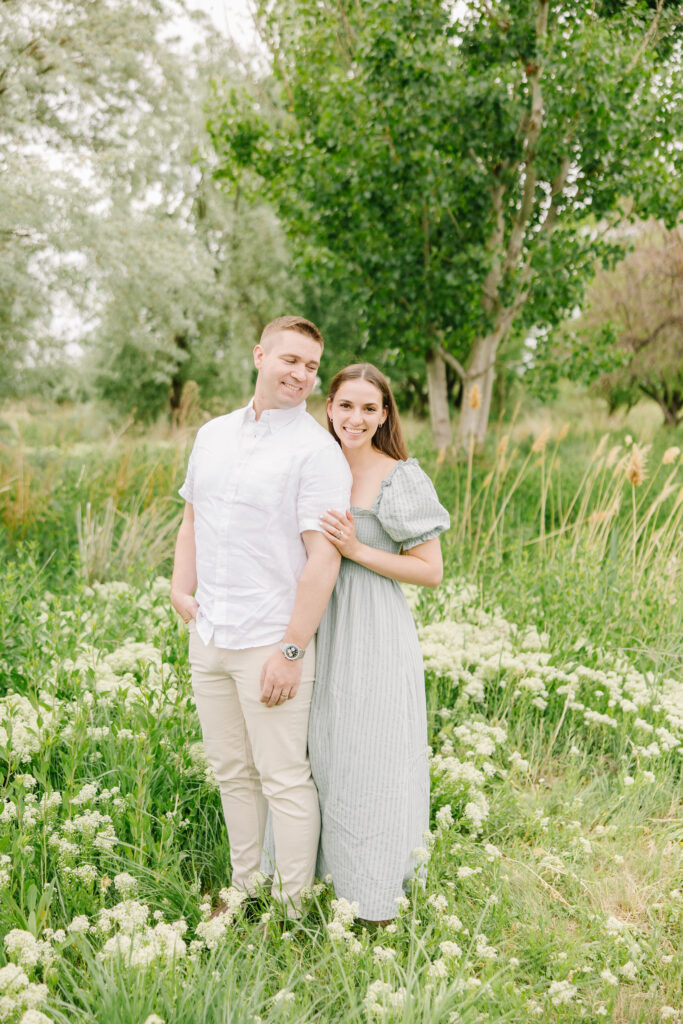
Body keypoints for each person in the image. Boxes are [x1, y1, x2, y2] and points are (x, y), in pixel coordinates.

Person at [170, 316, 352, 918]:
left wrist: (292, 651)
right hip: (210, 633)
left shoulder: (317, 452)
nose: (301, 374)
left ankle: (291, 910)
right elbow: (192, 520)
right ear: (259, 356)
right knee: (231, 772)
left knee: (283, 778)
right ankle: (244, 889)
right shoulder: (212, 435)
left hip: (272, 641)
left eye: (311, 366)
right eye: (290, 360)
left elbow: (323, 559)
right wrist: (179, 588)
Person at [313, 363, 450, 923]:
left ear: (385, 414)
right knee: (319, 752)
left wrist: (357, 550)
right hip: (315, 623)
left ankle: (371, 896)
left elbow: (430, 571)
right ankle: (310, 885)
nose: (356, 418)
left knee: (369, 756)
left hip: (372, 628)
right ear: (329, 407)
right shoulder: (312, 462)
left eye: (370, 408)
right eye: (346, 405)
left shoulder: (399, 477)